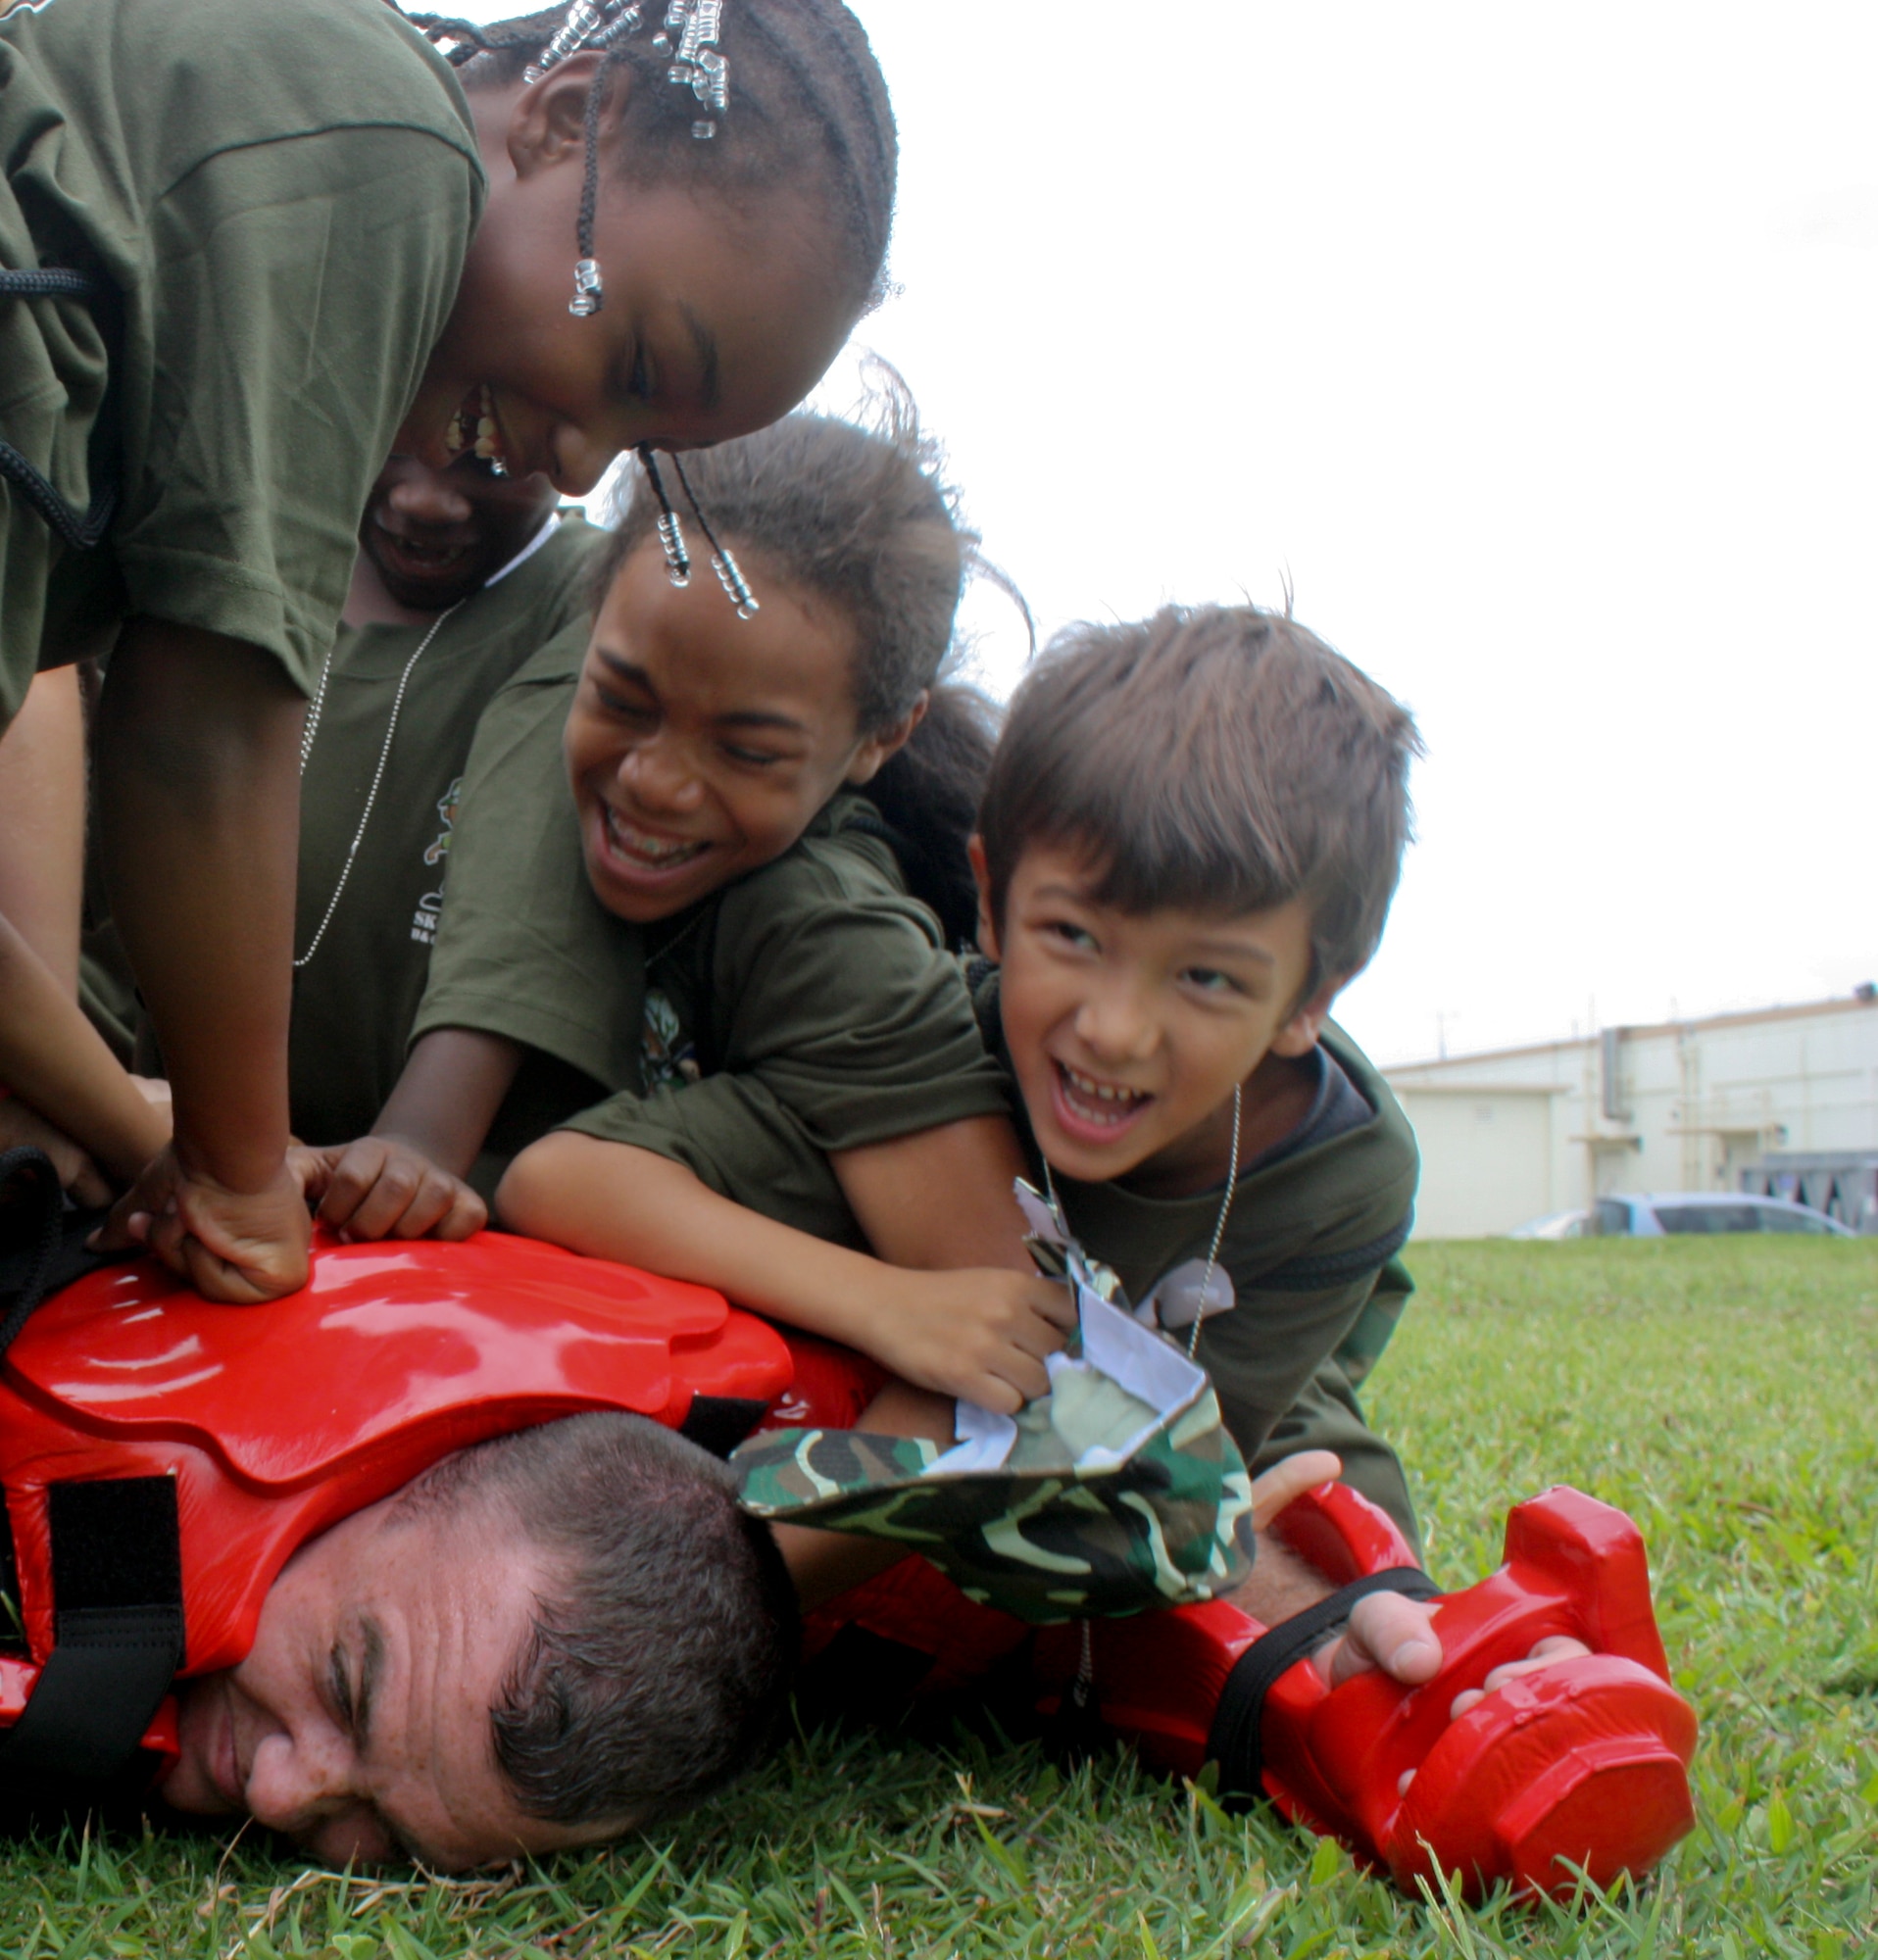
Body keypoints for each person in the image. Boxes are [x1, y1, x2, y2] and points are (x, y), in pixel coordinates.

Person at [0, 0, 897, 1302]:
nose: (584, 459)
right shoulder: (387, 145)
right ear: (565, 116)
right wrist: (242, 1181)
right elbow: (201, 726)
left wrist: (179, 1143)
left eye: (642, 447)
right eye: (634, 360)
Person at [321, 406, 1076, 1412]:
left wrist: (876, 1311)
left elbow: (1007, 1354)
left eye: (746, 750)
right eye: (621, 700)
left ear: (876, 740)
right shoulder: (523, 754)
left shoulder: (828, 937)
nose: (652, 781)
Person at [962, 605, 1589, 1699]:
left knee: (1332, 1530)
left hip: (1246, 1351)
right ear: (988, 902)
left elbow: (1172, 1466)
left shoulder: (1343, 1166)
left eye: (1204, 975)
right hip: (1044, 1350)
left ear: (1305, 1001)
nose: (1114, 1028)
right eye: (1073, 934)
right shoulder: (929, 1044)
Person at [289, 450, 604, 1161]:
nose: (427, 502)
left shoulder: (596, 599)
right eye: (403, 421)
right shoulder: (259, 538)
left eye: (491, 462)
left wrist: (411, 1148)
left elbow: (526, 903)